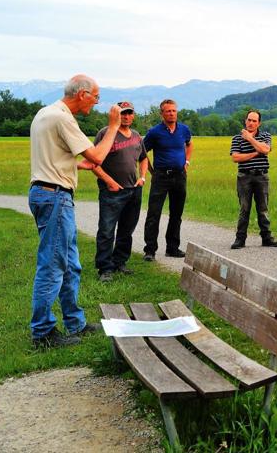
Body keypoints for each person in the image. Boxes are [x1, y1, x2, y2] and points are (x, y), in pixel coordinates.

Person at [29, 74, 121, 348]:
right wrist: (113, 126)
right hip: (55, 196)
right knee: (53, 265)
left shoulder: (45, 113)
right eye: (96, 96)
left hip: (46, 192)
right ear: (82, 94)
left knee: (70, 264)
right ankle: (43, 333)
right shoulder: (63, 117)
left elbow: (54, 156)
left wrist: (74, 166)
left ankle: (75, 322)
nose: (96, 102)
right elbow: (97, 155)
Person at [91, 101, 148, 282]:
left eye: (129, 113)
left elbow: (144, 158)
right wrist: (109, 181)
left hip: (133, 190)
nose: (126, 116)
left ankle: (119, 262)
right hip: (112, 191)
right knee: (107, 230)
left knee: (126, 229)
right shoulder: (105, 133)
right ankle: (105, 268)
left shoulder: (137, 135)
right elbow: (93, 162)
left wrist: (143, 177)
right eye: (122, 113)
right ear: (116, 114)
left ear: (133, 115)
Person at [142, 99, 193, 260]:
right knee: (154, 213)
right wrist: (152, 171)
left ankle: (172, 248)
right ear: (162, 113)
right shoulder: (154, 132)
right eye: (168, 111)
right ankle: (150, 250)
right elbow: (142, 152)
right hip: (161, 177)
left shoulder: (184, 130)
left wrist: (186, 161)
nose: (171, 113)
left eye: (174, 111)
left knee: (176, 214)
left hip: (179, 176)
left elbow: (189, 144)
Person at [229, 110, 277, 250]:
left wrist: (250, 139)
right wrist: (255, 152)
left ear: (259, 123)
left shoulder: (265, 135)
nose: (251, 123)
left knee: (263, 208)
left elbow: (265, 149)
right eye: (249, 120)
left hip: (261, 176)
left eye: (254, 121)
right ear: (245, 121)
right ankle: (240, 239)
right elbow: (236, 158)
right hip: (244, 176)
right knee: (244, 208)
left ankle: (266, 238)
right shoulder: (236, 138)